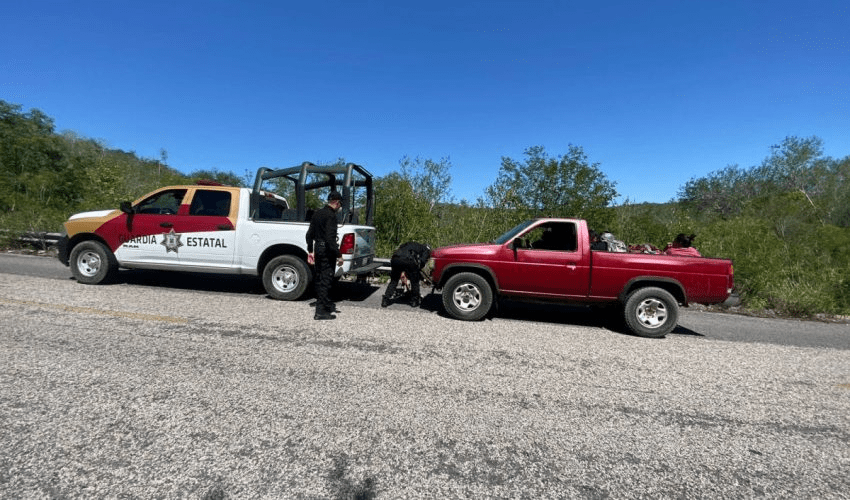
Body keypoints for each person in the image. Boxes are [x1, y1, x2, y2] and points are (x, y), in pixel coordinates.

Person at [306, 191, 344, 320]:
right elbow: (330, 238)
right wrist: (339, 255)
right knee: (326, 280)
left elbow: (309, 234)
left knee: (319, 278)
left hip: (318, 249)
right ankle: (320, 312)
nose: (340, 207)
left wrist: (310, 251)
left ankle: (325, 303)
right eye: (340, 204)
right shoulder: (331, 216)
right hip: (327, 251)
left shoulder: (317, 214)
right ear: (337, 202)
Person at [381, 241, 431, 308]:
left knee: (394, 280)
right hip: (408, 260)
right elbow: (422, 261)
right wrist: (417, 270)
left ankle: (385, 300)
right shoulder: (425, 249)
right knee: (415, 282)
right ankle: (414, 301)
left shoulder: (408, 244)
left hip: (396, 259)